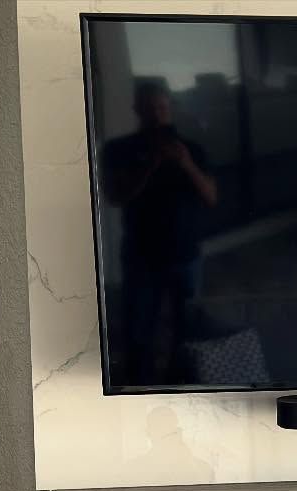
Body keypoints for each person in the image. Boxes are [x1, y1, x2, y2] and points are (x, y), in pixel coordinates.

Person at [100, 80, 218, 384]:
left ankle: (182, 386)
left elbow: (211, 198)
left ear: (170, 108)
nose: (157, 114)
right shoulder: (119, 149)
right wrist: (150, 164)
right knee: (139, 333)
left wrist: (187, 165)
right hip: (142, 258)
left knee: (187, 330)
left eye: (162, 107)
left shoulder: (191, 148)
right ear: (137, 109)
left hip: (186, 256)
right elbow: (116, 197)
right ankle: (137, 390)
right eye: (150, 108)